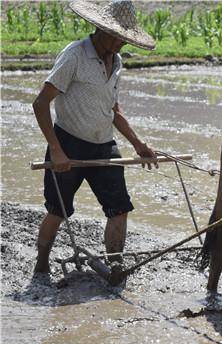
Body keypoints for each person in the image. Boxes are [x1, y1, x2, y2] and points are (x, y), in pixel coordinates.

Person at [33, 0, 157, 274]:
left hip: (104, 145)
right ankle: (41, 266)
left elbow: (112, 110)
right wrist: (56, 150)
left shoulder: (117, 62)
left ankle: (115, 264)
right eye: (117, 36)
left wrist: (138, 144)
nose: (121, 44)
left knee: (119, 208)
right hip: (68, 143)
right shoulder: (75, 55)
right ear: (101, 29)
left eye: (125, 38)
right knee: (58, 210)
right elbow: (40, 104)